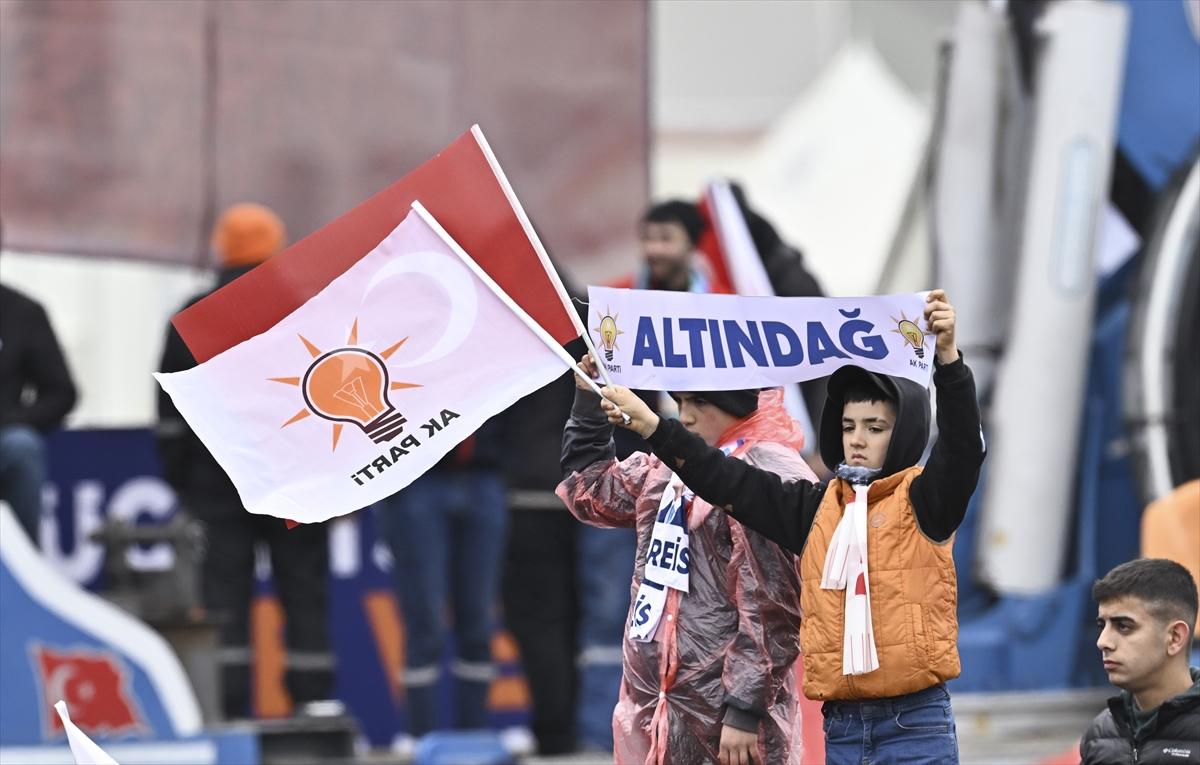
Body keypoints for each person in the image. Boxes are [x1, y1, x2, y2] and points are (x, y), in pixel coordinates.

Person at [599, 290, 984, 764]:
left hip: (914, 723)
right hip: (842, 725)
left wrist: (948, 361)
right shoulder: (815, 508)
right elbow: (724, 478)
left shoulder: (927, 503)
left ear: (903, 432)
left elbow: (964, 448)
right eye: (848, 426)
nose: (857, 440)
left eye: (875, 427)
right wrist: (656, 428)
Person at [558, 352, 815, 765]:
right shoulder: (667, 467)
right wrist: (588, 404)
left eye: (700, 403)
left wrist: (745, 709)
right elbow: (591, 494)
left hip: (729, 719)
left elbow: (772, 605)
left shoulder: (768, 472)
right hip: (660, 707)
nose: (687, 416)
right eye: (679, 403)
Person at [157, 203, 335, 719]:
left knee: (223, 600)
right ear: (276, 249)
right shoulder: (304, 308)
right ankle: (313, 699)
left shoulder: (190, 317)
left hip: (219, 487)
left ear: (223, 250)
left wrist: (185, 485)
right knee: (304, 590)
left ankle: (228, 705)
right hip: (297, 484)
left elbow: (170, 415)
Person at [0, 221, 78, 543]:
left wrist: (14, 419)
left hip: (3, 437)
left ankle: (24, 569)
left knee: (21, 446)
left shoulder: (21, 312)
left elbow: (61, 392)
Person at [1080, 558, 1200, 764]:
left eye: (1124, 626)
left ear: (1174, 638)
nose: (1103, 642)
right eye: (1102, 625)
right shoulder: (1100, 734)